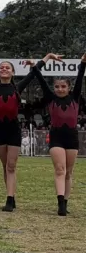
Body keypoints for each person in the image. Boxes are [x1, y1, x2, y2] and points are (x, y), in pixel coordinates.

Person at [0, 36, 39, 212]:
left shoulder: (17, 87)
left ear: (13, 72)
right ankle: (11, 195)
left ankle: (9, 199)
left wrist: (40, 62)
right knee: (4, 165)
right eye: (1, 68)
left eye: (7, 68)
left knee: (11, 165)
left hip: (13, 130)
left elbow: (32, 75)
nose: (4, 69)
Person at [30, 52, 86, 216]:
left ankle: (66, 202)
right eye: (57, 86)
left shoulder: (75, 98)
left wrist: (83, 63)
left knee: (68, 172)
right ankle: (60, 203)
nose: (60, 89)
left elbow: (80, 78)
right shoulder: (51, 99)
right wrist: (35, 66)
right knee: (60, 169)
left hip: (72, 138)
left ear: (69, 88)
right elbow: (40, 79)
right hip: (56, 137)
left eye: (63, 86)